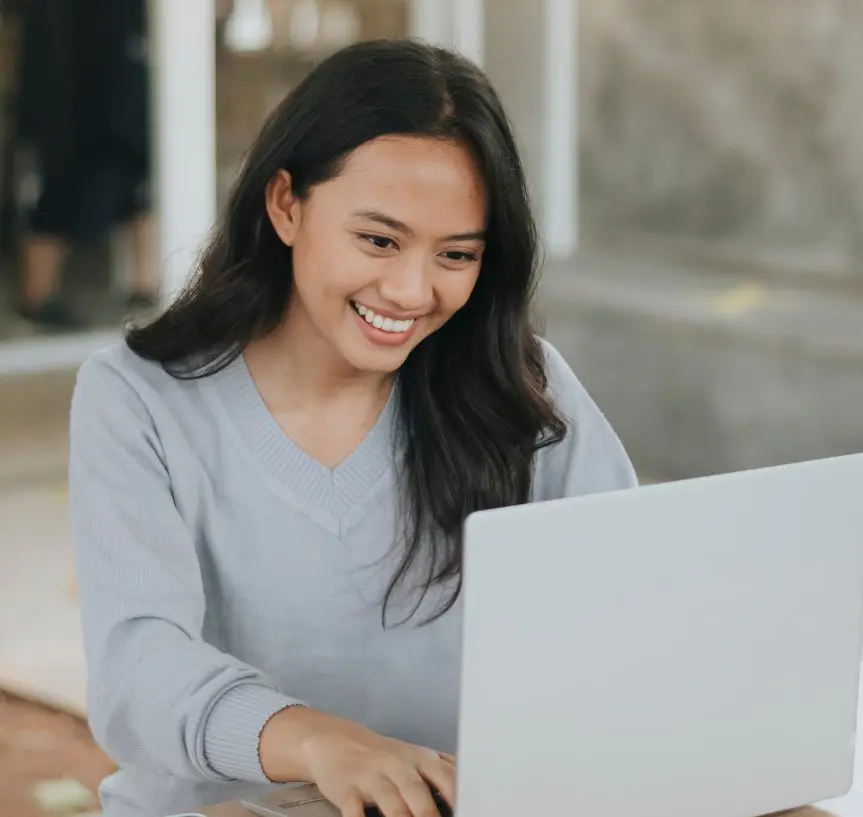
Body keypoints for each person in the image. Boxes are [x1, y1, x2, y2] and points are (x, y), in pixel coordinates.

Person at [68, 39, 637, 817]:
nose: (409, 290)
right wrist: (321, 743)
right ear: (287, 205)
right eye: (378, 239)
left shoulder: (522, 387)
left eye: (456, 255)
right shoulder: (137, 398)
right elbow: (139, 670)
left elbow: (634, 609)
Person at [14, 0, 156, 330]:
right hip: (76, 99)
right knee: (62, 188)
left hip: (114, 92)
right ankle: (35, 298)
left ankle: (145, 288)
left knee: (136, 188)